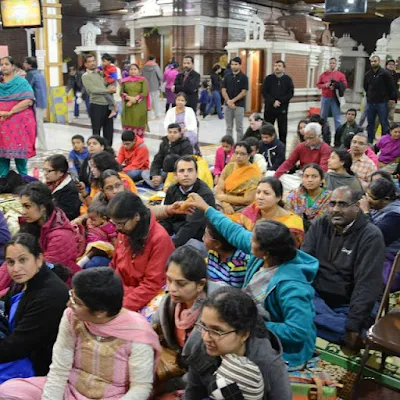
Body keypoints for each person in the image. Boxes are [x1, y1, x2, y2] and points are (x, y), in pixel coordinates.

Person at [188, 194, 317, 367]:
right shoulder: (264, 255)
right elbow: (233, 231)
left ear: (266, 252)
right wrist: (206, 208)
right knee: (207, 327)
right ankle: (188, 361)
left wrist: (251, 325)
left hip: (281, 346)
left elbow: (297, 331)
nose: (249, 241)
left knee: (217, 338)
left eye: (254, 239)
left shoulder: (293, 285)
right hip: (252, 320)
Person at [0, 267, 161, 399]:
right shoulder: (72, 316)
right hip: (69, 388)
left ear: (100, 312)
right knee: (9, 391)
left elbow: (140, 387)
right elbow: (59, 369)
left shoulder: (137, 334)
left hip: (112, 396)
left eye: (77, 302)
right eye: (72, 295)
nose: (69, 303)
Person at [301, 186, 386, 353]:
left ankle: (316, 322)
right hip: (318, 296)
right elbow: (304, 262)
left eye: (342, 205)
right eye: (332, 204)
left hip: (349, 302)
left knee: (359, 322)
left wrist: (353, 325)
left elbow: (366, 285)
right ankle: (332, 326)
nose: (335, 210)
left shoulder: (371, 236)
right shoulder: (320, 224)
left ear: (357, 206)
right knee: (292, 295)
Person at [184, 287, 291, 400]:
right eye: (204, 326)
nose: (206, 337)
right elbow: (192, 394)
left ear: (244, 334)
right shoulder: (202, 350)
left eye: (217, 331)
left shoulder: (269, 366)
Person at [152, 247, 221, 396]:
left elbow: (214, 367)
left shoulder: (220, 311)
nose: (172, 289)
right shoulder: (168, 304)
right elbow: (153, 327)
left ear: (200, 284)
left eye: (181, 284)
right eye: (169, 280)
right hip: (179, 367)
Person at [0, 233, 68, 384]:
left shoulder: (51, 295)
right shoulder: (22, 282)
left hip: (35, 363)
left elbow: (19, 346)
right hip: (15, 349)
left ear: (39, 259)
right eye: (10, 262)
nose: (16, 268)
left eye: (23, 260)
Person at [107, 191, 175, 311]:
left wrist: (120, 307)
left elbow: (152, 285)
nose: (118, 228)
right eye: (115, 224)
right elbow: (114, 265)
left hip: (146, 296)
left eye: (121, 224)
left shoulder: (159, 239)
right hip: (121, 290)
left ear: (136, 216)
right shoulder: (126, 231)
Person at [14, 182, 81, 277]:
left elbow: (44, 272)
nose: (23, 212)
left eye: (27, 206)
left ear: (42, 208)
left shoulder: (60, 236)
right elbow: (14, 258)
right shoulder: (31, 226)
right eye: (22, 206)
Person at [160, 156, 215, 247]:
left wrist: (170, 245)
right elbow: (166, 219)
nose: (186, 174)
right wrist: (160, 237)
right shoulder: (172, 189)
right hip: (176, 232)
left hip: (197, 238)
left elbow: (191, 226)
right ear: (175, 175)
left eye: (190, 170)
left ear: (196, 173)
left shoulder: (204, 194)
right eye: (182, 171)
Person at [237, 177, 305, 247]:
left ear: (278, 197)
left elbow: (288, 251)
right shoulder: (251, 210)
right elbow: (239, 235)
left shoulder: (292, 223)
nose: (260, 197)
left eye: (266, 193)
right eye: (258, 192)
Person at [359, 178, 400, 291]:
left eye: (371, 198)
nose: (367, 200)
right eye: (366, 195)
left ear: (386, 199)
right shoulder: (379, 207)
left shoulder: (395, 216)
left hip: (388, 264)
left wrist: (366, 213)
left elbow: (374, 239)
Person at [0, 56, 36, 177]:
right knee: (2, 153)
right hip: (2, 123)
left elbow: (29, 100)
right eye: (1, 64)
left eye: (6, 64)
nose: (3, 66)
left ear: (13, 66)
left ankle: (23, 178)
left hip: (18, 123)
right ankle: (3, 179)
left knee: (20, 154)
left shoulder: (21, 82)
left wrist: (10, 112)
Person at [275, 122, 331, 192]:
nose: (308, 141)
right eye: (306, 138)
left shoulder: (325, 148)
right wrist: (276, 176)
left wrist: (309, 179)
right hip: (301, 176)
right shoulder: (301, 146)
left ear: (319, 136)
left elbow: (323, 169)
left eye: (311, 138)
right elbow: (289, 162)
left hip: (315, 179)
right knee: (271, 174)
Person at [215, 141, 261, 216]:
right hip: (224, 203)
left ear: (249, 156)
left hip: (242, 206)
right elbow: (219, 189)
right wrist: (226, 204)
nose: (238, 156)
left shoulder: (253, 173)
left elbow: (247, 200)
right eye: (236, 153)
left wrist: (225, 198)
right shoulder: (229, 167)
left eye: (242, 154)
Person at [142, 123, 193, 190]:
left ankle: (164, 186)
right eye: (170, 132)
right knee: (144, 173)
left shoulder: (186, 145)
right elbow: (157, 160)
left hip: (176, 173)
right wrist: (155, 175)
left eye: (175, 132)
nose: (172, 134)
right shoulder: (164, 143)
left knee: (170, 159)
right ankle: (162, 186)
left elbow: (186, 163)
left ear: (180, 134)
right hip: (163, 172)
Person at [82, 54, 116, 146]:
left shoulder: (100, 72)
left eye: (93, 61)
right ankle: (96, 153)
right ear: (85, 64)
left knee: (108, 131)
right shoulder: (85, 76)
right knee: (96, 131)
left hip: (107, 105)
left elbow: (106, 82)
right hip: (96, 105)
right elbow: (93, 90)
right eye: (89, 62)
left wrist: (111, 87)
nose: (92, 63)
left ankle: (108, 152)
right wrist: (108, 90)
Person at [286, 163, 332, 230]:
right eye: (306, 176)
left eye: (314, 176)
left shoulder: (330, 197)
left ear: (322, 179)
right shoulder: (293, 196)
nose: (309, 180)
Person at [204, 222, 249, 288]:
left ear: (217, 244)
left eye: (205, 235)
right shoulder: (213, 252)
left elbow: (235, 293)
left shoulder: (237, 266)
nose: (203, 238)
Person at [364, 55, 396, 143]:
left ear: (379, 62)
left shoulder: (385, 73)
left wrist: (387, 97)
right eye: (372, 61)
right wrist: (369, 95)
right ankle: (370, 142)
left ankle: (384, 142)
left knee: (384, 123)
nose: (373, 63)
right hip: (371, 102)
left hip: (382, 102)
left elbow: (391, 87)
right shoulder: (368, 74)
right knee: (370, 123)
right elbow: (366, 87)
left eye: (375, 61)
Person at [262, 60, 294, 146]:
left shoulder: (288, 79)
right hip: (269, 108)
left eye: (279, 66)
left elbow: (290, 93)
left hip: (282, 109)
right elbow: (264, 92)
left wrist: (280, 101)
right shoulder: (269, 78)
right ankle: (268, 146)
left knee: (282, 131)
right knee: (268, 130)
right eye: (275, 65)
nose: (277, 67)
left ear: (284, 68)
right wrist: (273, 101)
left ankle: (282, 148)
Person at [77, 202, 117, 269]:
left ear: (103, 219)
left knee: (96, 247)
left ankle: (81, 262)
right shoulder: (90, 222)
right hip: (89, 245)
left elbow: (114, 241)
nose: (90, 221)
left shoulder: (108, 226)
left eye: (93, 220)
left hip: (103, 248)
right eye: (89, 218)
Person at [44, 154, 81, 221]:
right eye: (44, 170)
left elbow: (67, 215)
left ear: (60, 172)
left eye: (48, 171)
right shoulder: (51, 184)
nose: (45, 173)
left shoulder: (69, 190)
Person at [317, 57, 348, 132]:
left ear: (336, 64)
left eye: (333, 63)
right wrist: (325, 85)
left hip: (335, 98)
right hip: (325, 97)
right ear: (328, 64)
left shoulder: (340, 75)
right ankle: (324, 131)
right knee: (323, 116)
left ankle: (338, 133)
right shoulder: (324, 74)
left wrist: (335, 86)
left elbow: (345, 85)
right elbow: (318, 85)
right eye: (330, 63)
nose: (332, 65)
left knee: (337, 117)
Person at [222, 57, 249, 141]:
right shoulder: (227, 76)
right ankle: (229, 144)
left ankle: (240, 144)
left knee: (239, 127)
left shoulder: (244, 77)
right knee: (229, 127)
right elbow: (223, 89)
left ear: (240, 65)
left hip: (239, 105)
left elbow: (244, 91)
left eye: (236, 64)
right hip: (228, 105)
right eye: (232, 64)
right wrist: (228, 101)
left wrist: (233, 101)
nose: (233, 66)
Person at [24, 56, 47, 151]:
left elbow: (26, 88)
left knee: (37, 124)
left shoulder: (30, 74)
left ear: (29, 65)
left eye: (25, 63)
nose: (24, 64)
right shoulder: (39, 73)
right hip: (42, 102)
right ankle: (42, 144)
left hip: (35, 103)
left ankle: (42, 145)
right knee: (39, 123)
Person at [120, 63, 149, 138]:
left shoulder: (142, 80)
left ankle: (138, 143)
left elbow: (145, 92)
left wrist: (133, 100)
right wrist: (129, 98)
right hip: (128, 107)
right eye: (131, 69)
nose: (133, 71)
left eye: (135, 69)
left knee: (138, 123)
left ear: (139, 71)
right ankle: (128, 141)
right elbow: (121, 92)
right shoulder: (124, 81)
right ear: (128, 71)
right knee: (128, 122)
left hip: (139, 106)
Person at [142, 55, 162, 119]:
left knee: (148, 102)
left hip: (146, 87)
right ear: (154, 59)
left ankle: (148, 116)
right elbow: (161, 76)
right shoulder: (155, 66)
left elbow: (141, 75)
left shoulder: (144, 66)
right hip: (155, 86)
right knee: (156, 101)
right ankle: (157, 116)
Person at [98, 53, 118, 119]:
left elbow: (114, 77)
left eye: (104, 61)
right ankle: (112, 110)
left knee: (106, 93)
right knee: (109, 96)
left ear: (109, 61)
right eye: (102, 61)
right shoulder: (103, 66)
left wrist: (106, 82)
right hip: (107, 82)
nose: (102, 63)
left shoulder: (112, 68)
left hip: (112, 83)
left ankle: (114, 105)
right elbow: (99, 68)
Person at [385, 59, 399, 124]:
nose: (391, 66)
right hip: (384, 100)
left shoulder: (395, 75)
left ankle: (388, 133)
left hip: (393, 100)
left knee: (390, 118)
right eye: (389, 64)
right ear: (386, 66)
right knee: (381, 117)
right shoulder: (383, 74)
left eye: (392, 64)